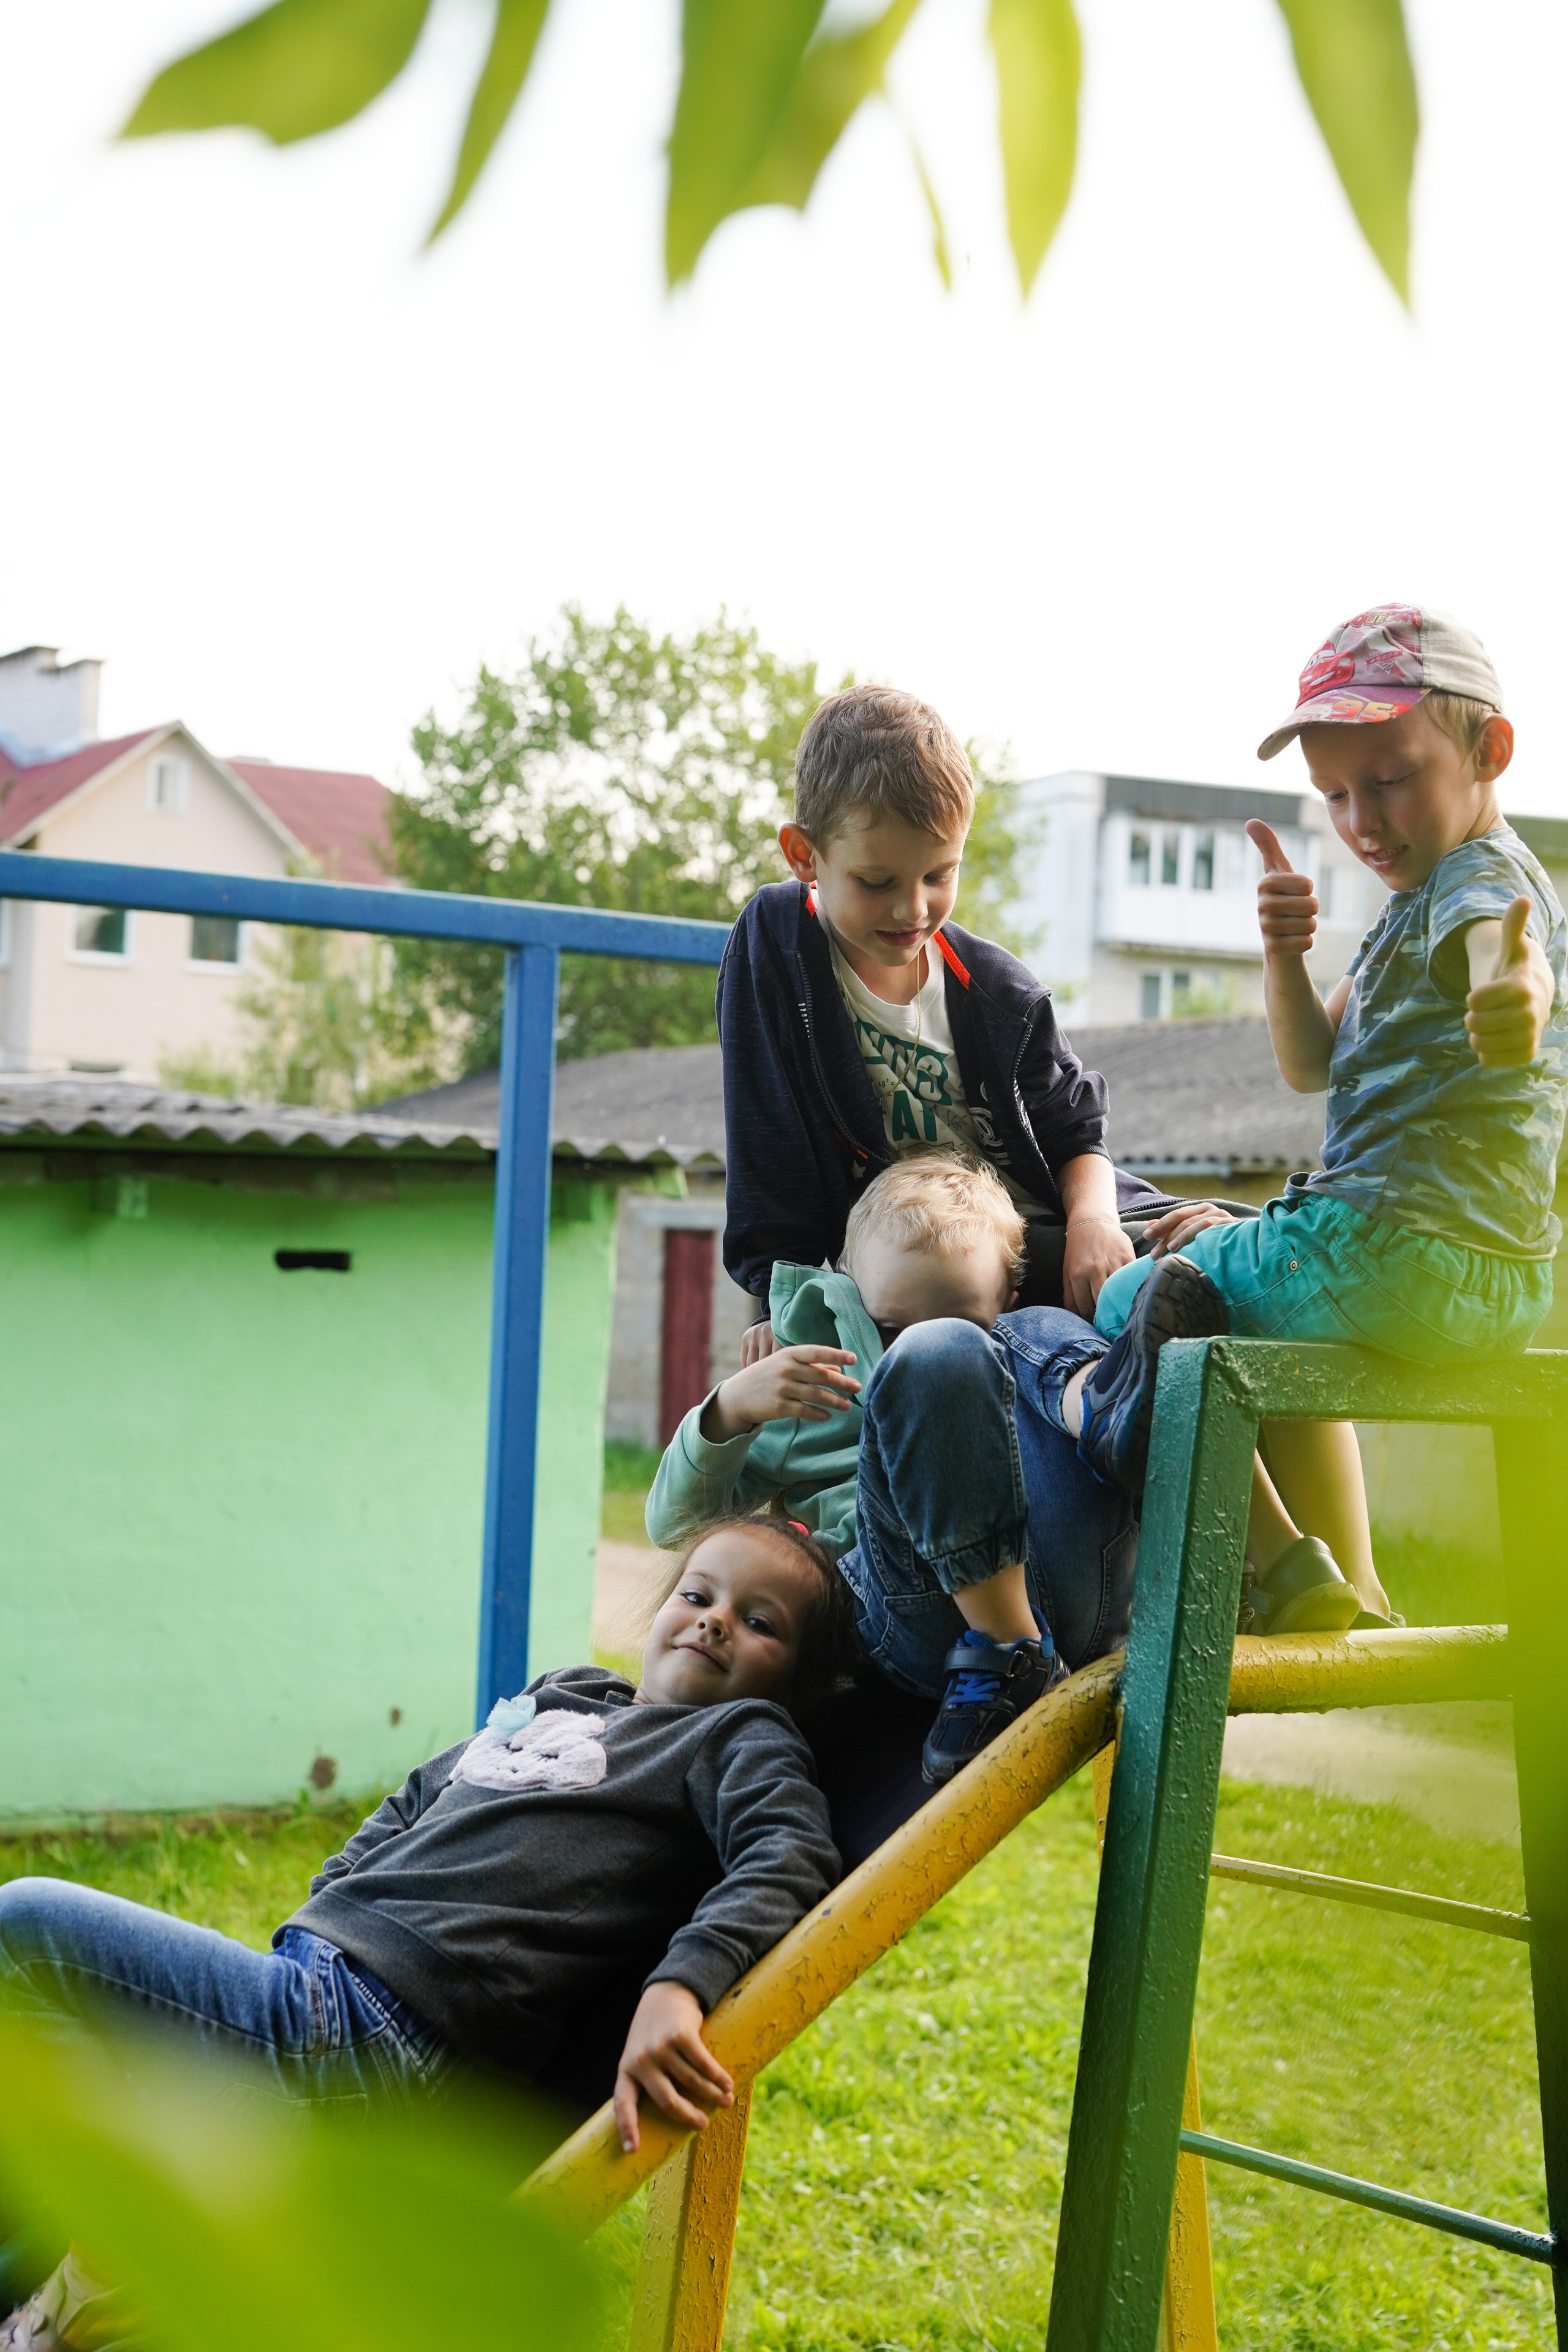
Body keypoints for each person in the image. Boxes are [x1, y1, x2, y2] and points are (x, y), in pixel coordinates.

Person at [0, 1519, 853, 2352]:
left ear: (796, 1685)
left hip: (382, 2039)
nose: (714, 1620)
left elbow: (789, 1852)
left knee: (23, 1928)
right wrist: (336, 1895)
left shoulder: (741, 1737)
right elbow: (421, 1793)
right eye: (700, 1594)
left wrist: (680, 1985)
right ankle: (82, 2278)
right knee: (83, 2099)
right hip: (318, 1989)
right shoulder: (572, 1692)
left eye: (758, 1621)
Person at [1059, 607, 1566, 1624]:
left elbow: (1505, 960)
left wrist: (1517, 1001)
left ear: (1489, 751)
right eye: (1334, 795)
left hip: (1395, 1250)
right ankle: (1357, 1582)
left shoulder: (1479, 882)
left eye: (1390, 779)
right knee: (1241, 1264)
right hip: (1503, 1275)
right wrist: (1286, 959)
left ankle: (1284, 1562)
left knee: (1126, 1306)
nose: (1362, 822)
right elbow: (1307, 1066)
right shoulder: (1411, 902)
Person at [649, 1152, 1220, 1793]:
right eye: (889, 1329)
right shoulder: (813, 1387)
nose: (908, 1342)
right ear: (852, 1295)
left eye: (964, 1315)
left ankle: (1100, 1410)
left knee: (1038, 1328)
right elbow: (673, 1523)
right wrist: (728, 1411)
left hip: (1079, 1581)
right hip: (913, 1618)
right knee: (941, 1351)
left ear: (1002, 1288)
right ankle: (1007, 1643)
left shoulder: (1017, 1331)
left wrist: (1213, 1250)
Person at [717, 682, 1215, 1351]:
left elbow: (1075, 1134)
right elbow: (765, 1131)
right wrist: (777, 1302)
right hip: (933, 1261)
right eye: (877, 882)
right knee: (1158, 1298)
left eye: (938, 875)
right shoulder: (778, 949)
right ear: (805, 855)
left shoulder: (998, 994)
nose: (912, 910)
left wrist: (1094, 1222)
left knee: (1231, 1247)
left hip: (1057, 1233)